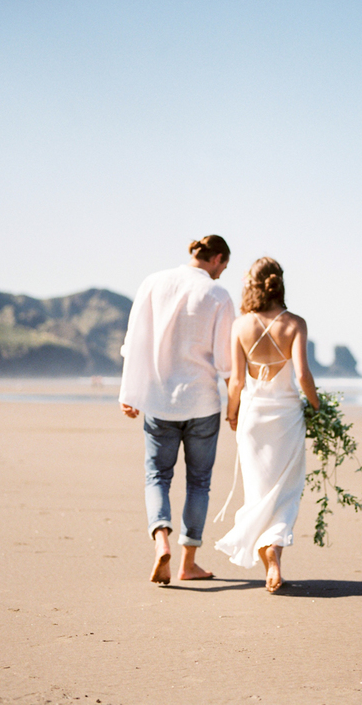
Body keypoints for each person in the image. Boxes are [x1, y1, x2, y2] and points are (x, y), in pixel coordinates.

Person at [119, 235, 235, 585]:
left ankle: (161, 543)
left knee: (157, 475)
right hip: (202, 403)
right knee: (199, 482)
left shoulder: (153, 282)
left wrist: (130, 393)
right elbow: (226, 361)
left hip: (157, 400)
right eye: (223, 267)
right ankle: (188, 562)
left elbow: (135, 339)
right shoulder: (218, 295)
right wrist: (235, 406)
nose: (221, 274)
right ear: (216, 258)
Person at [214, 257, 319, 593]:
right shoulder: (296, 324)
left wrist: (232, 413)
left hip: (253, 417)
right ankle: (273, 549)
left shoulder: (241, 326)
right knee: (285, 490)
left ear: (251, 285)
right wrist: (317, 409)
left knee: (258, 490)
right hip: (287, 418)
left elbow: (236, 383)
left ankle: (265, 551)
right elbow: (302, 375)